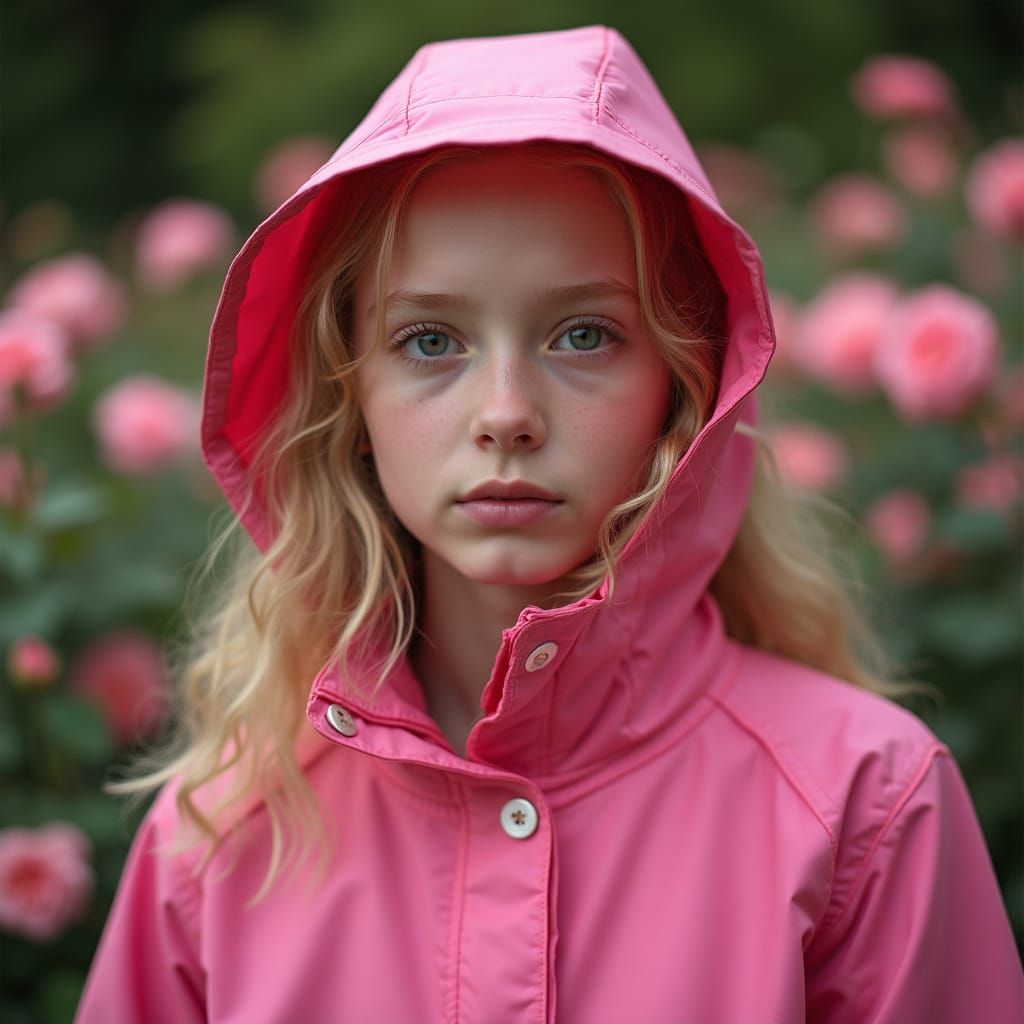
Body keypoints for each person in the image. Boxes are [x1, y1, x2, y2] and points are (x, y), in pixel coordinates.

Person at [76, 24, 1023, 1023]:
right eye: (430, 339)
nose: (505, 412)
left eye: (585, 334)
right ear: (347, 396)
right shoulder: (220, 842)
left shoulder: (865, 805)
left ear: (684, 386)